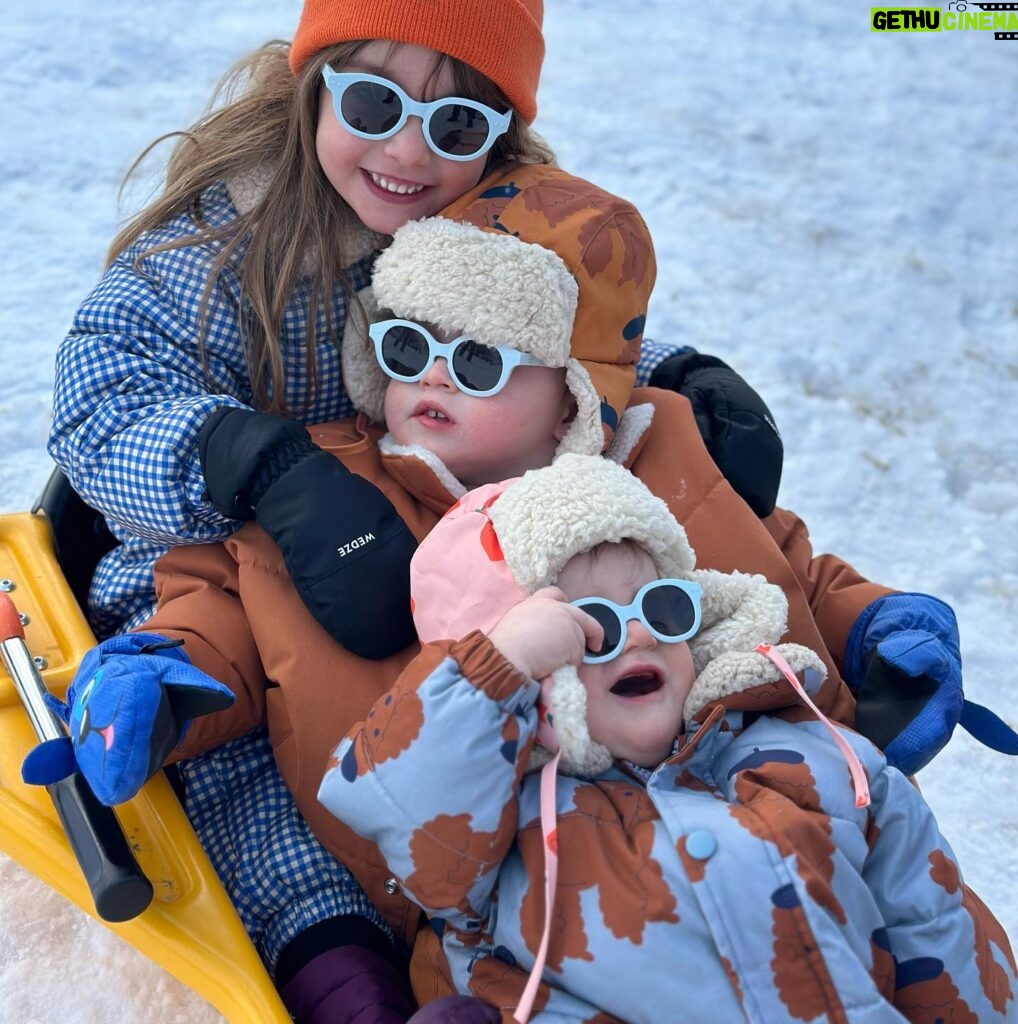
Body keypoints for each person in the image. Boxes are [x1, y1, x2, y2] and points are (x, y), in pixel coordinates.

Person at [43, 0, 783, 1014]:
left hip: (450, 546)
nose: (407, 151)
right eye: (374, 102)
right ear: (316, 85)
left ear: (498, 133)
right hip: (227, 574)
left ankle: (610, 917)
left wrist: (674, 372)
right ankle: (339, 968)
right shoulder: (219, 247)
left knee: (555, 712)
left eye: (453, 125)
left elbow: (556, 330)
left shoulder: (496, 212)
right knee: (266, 781)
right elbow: (98, 394)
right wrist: (252, 460)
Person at [320, 455, 1018, 1023]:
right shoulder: (496, 834)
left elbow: (936, 930)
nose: (642, 633)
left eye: (661, 605)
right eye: (591, 625)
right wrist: (494, 669)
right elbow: (398, 800)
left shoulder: (812, 758)